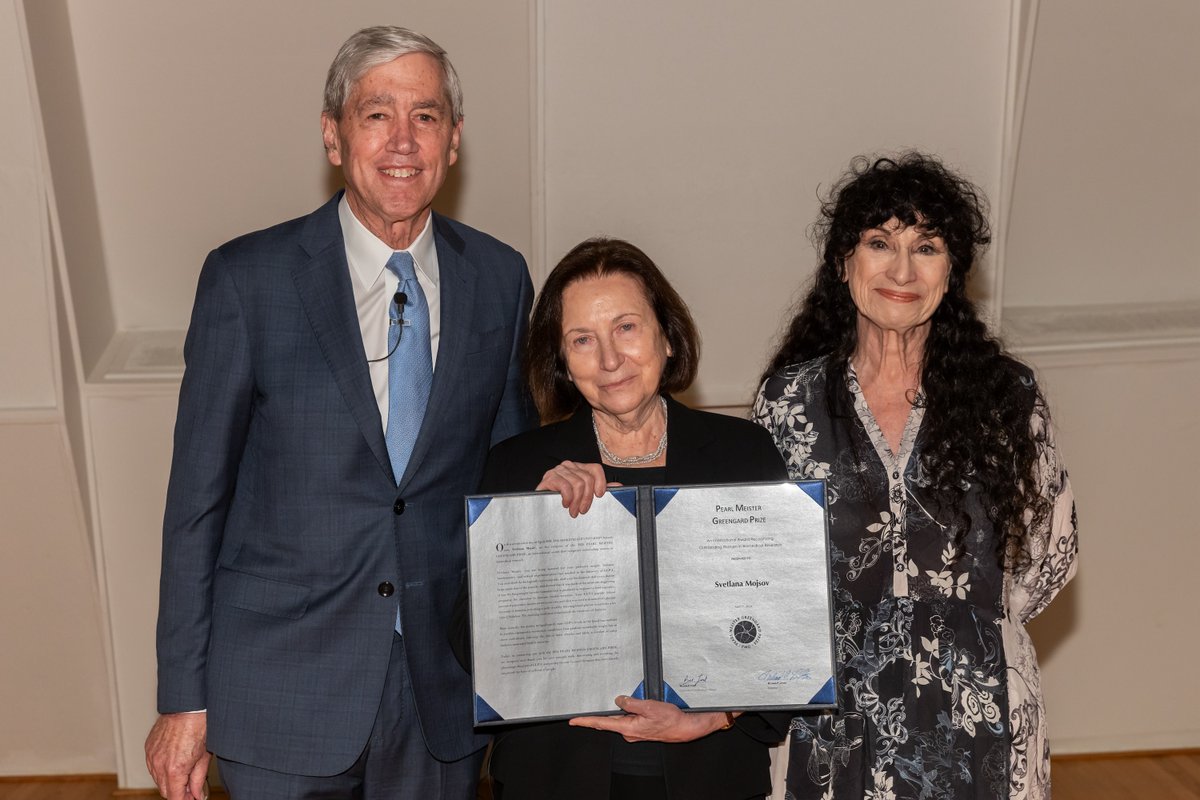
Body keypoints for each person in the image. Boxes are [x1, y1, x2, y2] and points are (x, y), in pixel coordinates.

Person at [144, 26, 536, 800]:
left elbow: (508, 480)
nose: (403, 140)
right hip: (281, 688)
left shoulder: (499, 277)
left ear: (454, 141)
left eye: (426, 116)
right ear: (333, 135)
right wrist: (181, 699)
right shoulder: (247, 280)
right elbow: (196, 505)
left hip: (441, 691)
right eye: (375, 114)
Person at [751, 152, 1078, 800]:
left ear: (951, 271)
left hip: (980, 707)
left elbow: (1049, 555)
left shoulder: (1007, 400)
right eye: (880, 243)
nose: (901, 270)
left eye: (925, 247)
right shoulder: (789, 401)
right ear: (845, 262)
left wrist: (955, 626)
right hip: (833, 717)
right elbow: (760, 563)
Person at [451, 237, 791, 799]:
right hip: (558, 775)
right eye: (582, 340)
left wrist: (717, 716)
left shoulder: (744, 453)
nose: (609, 360)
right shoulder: (518, 466)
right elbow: (471, 642)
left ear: (667, 336)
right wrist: (533, 529)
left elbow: (787, 624)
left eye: (627, 328)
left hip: (713, 772)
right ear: (562, 362)